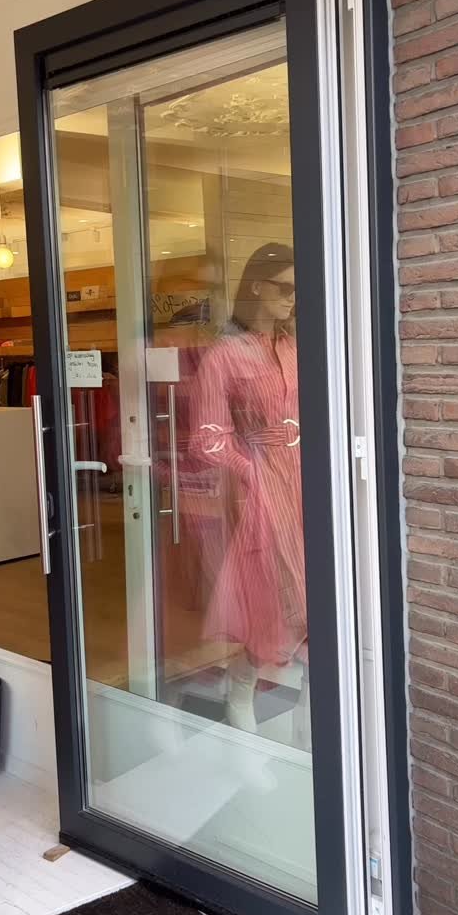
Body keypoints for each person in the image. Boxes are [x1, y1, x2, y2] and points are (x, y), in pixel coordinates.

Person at [189, 243, 307, 734]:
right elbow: (206, 438)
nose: (293, 298)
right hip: (261, 489)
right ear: (257, 286)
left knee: (313, 596)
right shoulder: (224, 356)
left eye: (298, 290)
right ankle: (240, 691)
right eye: (285, 287)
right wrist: (250, 470)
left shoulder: (294, 348)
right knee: (270, 599)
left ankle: (311, 719)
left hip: (306, 481)